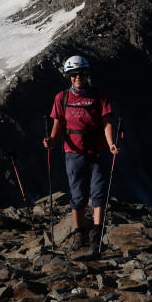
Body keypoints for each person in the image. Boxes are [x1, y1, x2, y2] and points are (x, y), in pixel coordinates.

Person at [43, 56, 120, 252]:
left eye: (81, 74)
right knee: (77, 195)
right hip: (74, 151)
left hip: (99, 150)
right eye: (74, 74)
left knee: (99, 193)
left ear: (87, 74)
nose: (78, 77)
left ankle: (96, 234)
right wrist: (51, 140)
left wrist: (111, 144)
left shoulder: (99, 96)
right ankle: (80, 234)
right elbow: (58, 124)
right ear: (69, 76)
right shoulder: (62, 98)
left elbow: (107, 122)